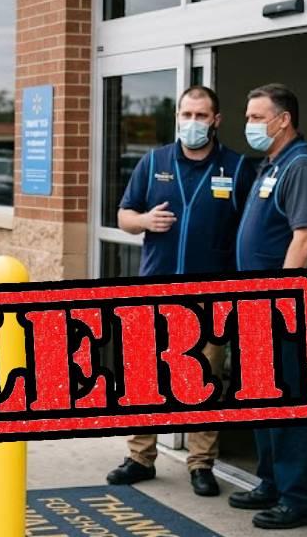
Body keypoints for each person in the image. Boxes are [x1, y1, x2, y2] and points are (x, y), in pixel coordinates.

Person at [106, 85, 255, 498]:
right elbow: (123, 216)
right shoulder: (153, 162)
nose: (193, 123)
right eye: (186, 115)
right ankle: (140, 457)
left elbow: (250, 230)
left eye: (201, 116)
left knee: (205, 381)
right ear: (177, 118)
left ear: (216, 120)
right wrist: (143, 222)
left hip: (211, 296)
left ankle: (201, 463)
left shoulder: (238, 169)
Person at [232, 83, 307, 530]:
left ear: (283, 121)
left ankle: (300, 499)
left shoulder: (302, 167)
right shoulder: (271, 165)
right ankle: (271, 482)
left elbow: (306, 237)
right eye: (248, 116)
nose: (250, 125)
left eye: (257, 117)